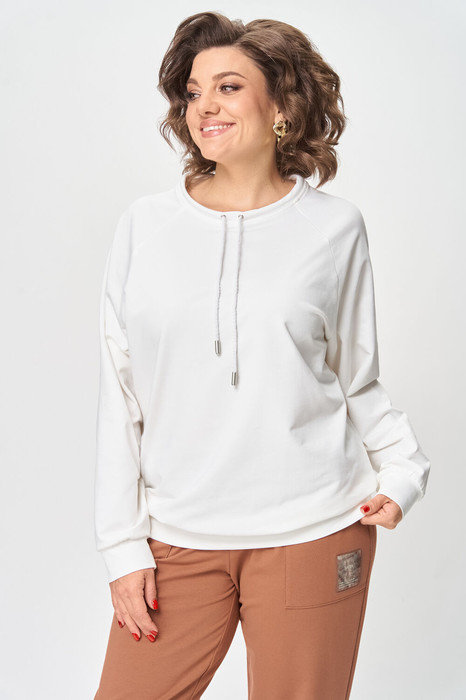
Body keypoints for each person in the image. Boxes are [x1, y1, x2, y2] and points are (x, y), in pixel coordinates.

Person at [93, 11, 431, 700]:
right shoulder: (145, 227)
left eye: (228, 87)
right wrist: (122, 546)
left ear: (281, 106)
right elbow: (119, 393)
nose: (204, 107)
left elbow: (355, 377)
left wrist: (403, 472)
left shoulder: (335, 228)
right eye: (193, 92)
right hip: (178, 536)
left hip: (313, 529)